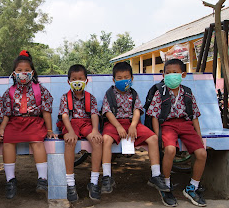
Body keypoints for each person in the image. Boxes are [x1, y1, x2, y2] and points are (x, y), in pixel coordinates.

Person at [101, 62, 169, 196]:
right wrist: (119, 126)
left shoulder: (133, 93)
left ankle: (155, 175)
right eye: (119, 78)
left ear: (132, 79)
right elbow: (107, 112)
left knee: (153, 138)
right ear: (114, 80)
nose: (123, 80)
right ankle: (107, 177)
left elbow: (137, 110)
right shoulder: (109, 94)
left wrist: (133, 125)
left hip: (132, 123)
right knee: (106, 140)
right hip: (114, 123)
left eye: (126, 77)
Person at [146, 59, 207, 207]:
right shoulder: (160, 92)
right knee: (170, 149)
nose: (171, 76)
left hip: (186, 125)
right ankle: (165, 186)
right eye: (168, 73)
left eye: (175, 73)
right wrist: (157, 136)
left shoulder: (187, 92)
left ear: (183, 75)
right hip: (167, 125)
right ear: (163, 75)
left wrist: (198, 136)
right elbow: (154, 115)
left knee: (202, 153)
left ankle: (193, 187)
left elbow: (194, 116)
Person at [0, 50, 56, 199]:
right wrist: (2, 128)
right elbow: (6, 113)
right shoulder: (10, 91)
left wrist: (49, 129)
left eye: (27, 70)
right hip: (15, 122)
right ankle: (10, 180)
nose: (23, 73)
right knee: (8, 141)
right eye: (19, 70)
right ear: (14, 73)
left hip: (34, 121)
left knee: (37, 141)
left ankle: (42, 179)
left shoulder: (40, 89)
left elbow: (46, 111)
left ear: (32, 72)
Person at [58, 64, 103, 202]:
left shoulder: (91, 98)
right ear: (69, 81)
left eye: (80, 78)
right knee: (70, 142)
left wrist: (95, 130)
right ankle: (70, 183)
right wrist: (70, 132)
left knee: (97, 141)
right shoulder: (65, 97)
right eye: (74, 79)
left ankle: (94, 181)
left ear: (86, 81)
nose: (77, 81)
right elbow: (65, 116)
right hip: (70, 124)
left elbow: (95, 114)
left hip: (86, 123)